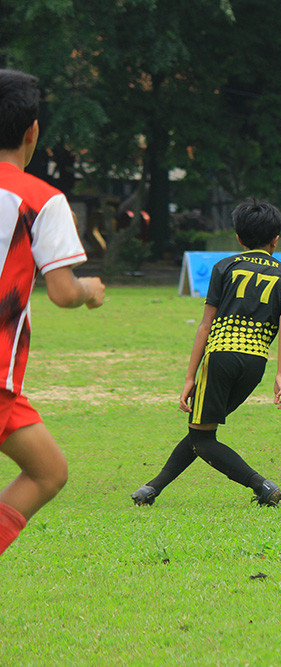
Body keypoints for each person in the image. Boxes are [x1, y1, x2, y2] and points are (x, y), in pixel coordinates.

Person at [130, 199, 281, 507]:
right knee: (201, 431)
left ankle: (262, 486)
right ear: (276, 239)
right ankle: (151, 489)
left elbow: (205, 324)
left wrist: (189, 376)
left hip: (221, 356)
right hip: (255, 362)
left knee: (202, 437)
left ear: (238, 237)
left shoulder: (225, 267)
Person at [0, 69, 106, 556]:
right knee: (46, 474)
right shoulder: (42, 199)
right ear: (33, 131)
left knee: (49, 469)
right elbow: (62, 292)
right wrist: (90, 289)